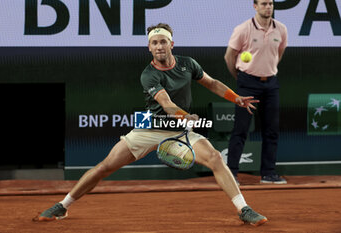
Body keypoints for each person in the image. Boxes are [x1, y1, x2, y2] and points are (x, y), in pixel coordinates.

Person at [35, 23, 267, 226]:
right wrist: (185, 115)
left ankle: (243, 209)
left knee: (215, 158)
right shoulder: (149, 75)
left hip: (180, 132)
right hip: (149, 127)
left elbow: (211, 83)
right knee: (105, 166)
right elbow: (166, 104)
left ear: (171, 44)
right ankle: (63, 205)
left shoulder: (188, 64)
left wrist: (235, 97)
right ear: (149, 47)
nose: (159, 46)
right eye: (154, 42)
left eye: (163, 42)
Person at [224, 0, 288, 184]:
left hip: (271, 83)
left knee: (271, 130)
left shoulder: (281, 29)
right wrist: (241, 78)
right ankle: (231, 174)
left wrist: (268, 71)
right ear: (255, 6)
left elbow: (279, 52)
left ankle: (268, 173)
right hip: (247, 83)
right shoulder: (243, 29)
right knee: (241, 129)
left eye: (270, 3)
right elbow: (229, 56)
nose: (268, 7)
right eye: (263, 3)